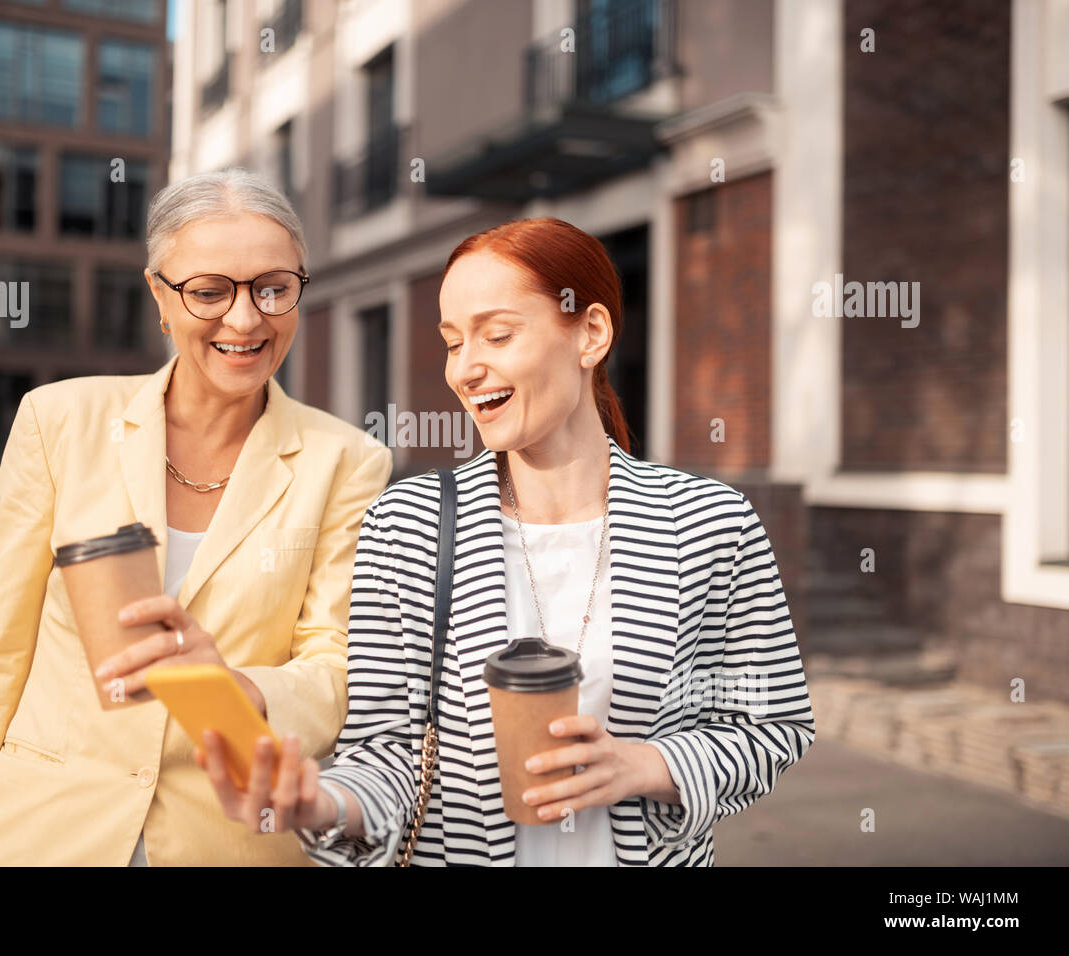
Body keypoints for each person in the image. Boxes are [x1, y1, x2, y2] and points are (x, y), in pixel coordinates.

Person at [200, 216, 816, 865]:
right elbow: (386, 753)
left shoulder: (710, 522)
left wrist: (645, 764)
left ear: (592, 333)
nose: (466, 369)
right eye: (451, 342)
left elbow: (769, 726)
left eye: (497, 334)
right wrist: (323, 805)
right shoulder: (407, 524)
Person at [0, 168, 391, 866]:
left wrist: (241, 687)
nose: (246, 318)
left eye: (273, 287)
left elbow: (337, 666)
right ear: (159, 299)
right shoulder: (59, 421)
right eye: (208, 291)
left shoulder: (348, 461)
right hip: (40, 836)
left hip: (230, 844)